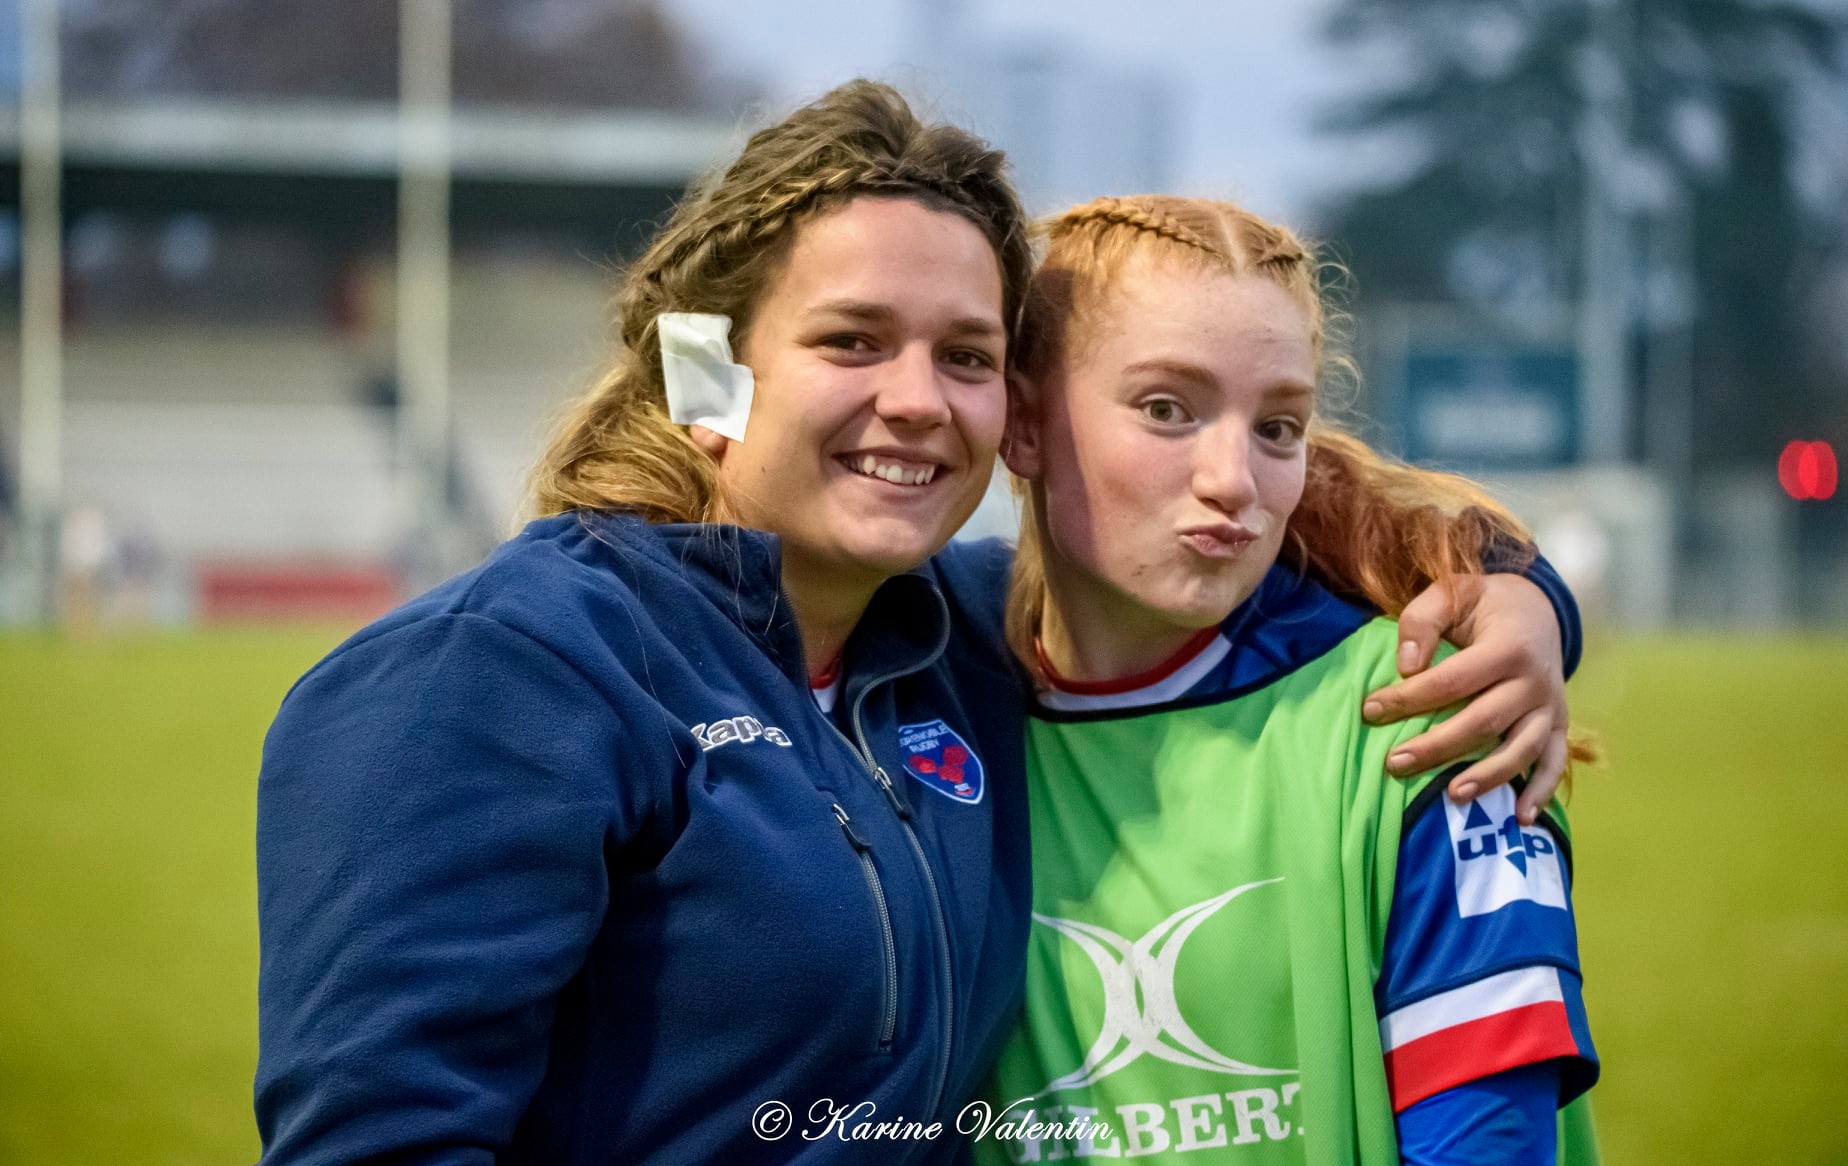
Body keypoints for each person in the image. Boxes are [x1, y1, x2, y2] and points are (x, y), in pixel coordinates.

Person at [255, 84, 1581, 1164]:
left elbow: (1228, 503)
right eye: (851, 339)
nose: (917, 400)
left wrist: (1514, 592)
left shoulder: (948, 641)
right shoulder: (498, 671)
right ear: (704, 369)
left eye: (963, 355)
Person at [971, 195, 1598, 1164]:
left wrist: (1521, 588)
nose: (1234, 478)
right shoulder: (926, 713)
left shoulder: (1426, 725)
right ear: (1023, 424)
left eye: (1277, 427)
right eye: (1166, 409)